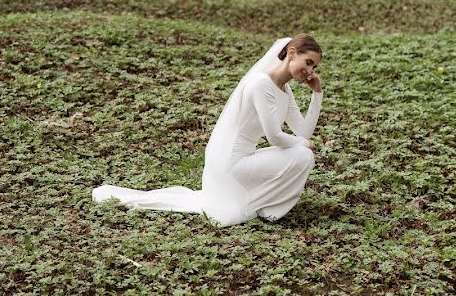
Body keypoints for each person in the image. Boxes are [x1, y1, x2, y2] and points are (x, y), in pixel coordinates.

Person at [92, 34, 324, 227]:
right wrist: (303, 144)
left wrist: (317, 95)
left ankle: (266, 206)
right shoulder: (261, 83)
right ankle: (263, 207)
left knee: (303, 153)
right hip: (230, 162)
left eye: (314, 66)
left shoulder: (285, 90)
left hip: (246, 158)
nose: (310, 70)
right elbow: (275, 136)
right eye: (308, 62)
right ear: (291, 53)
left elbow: (303, 133)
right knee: (303, 153)